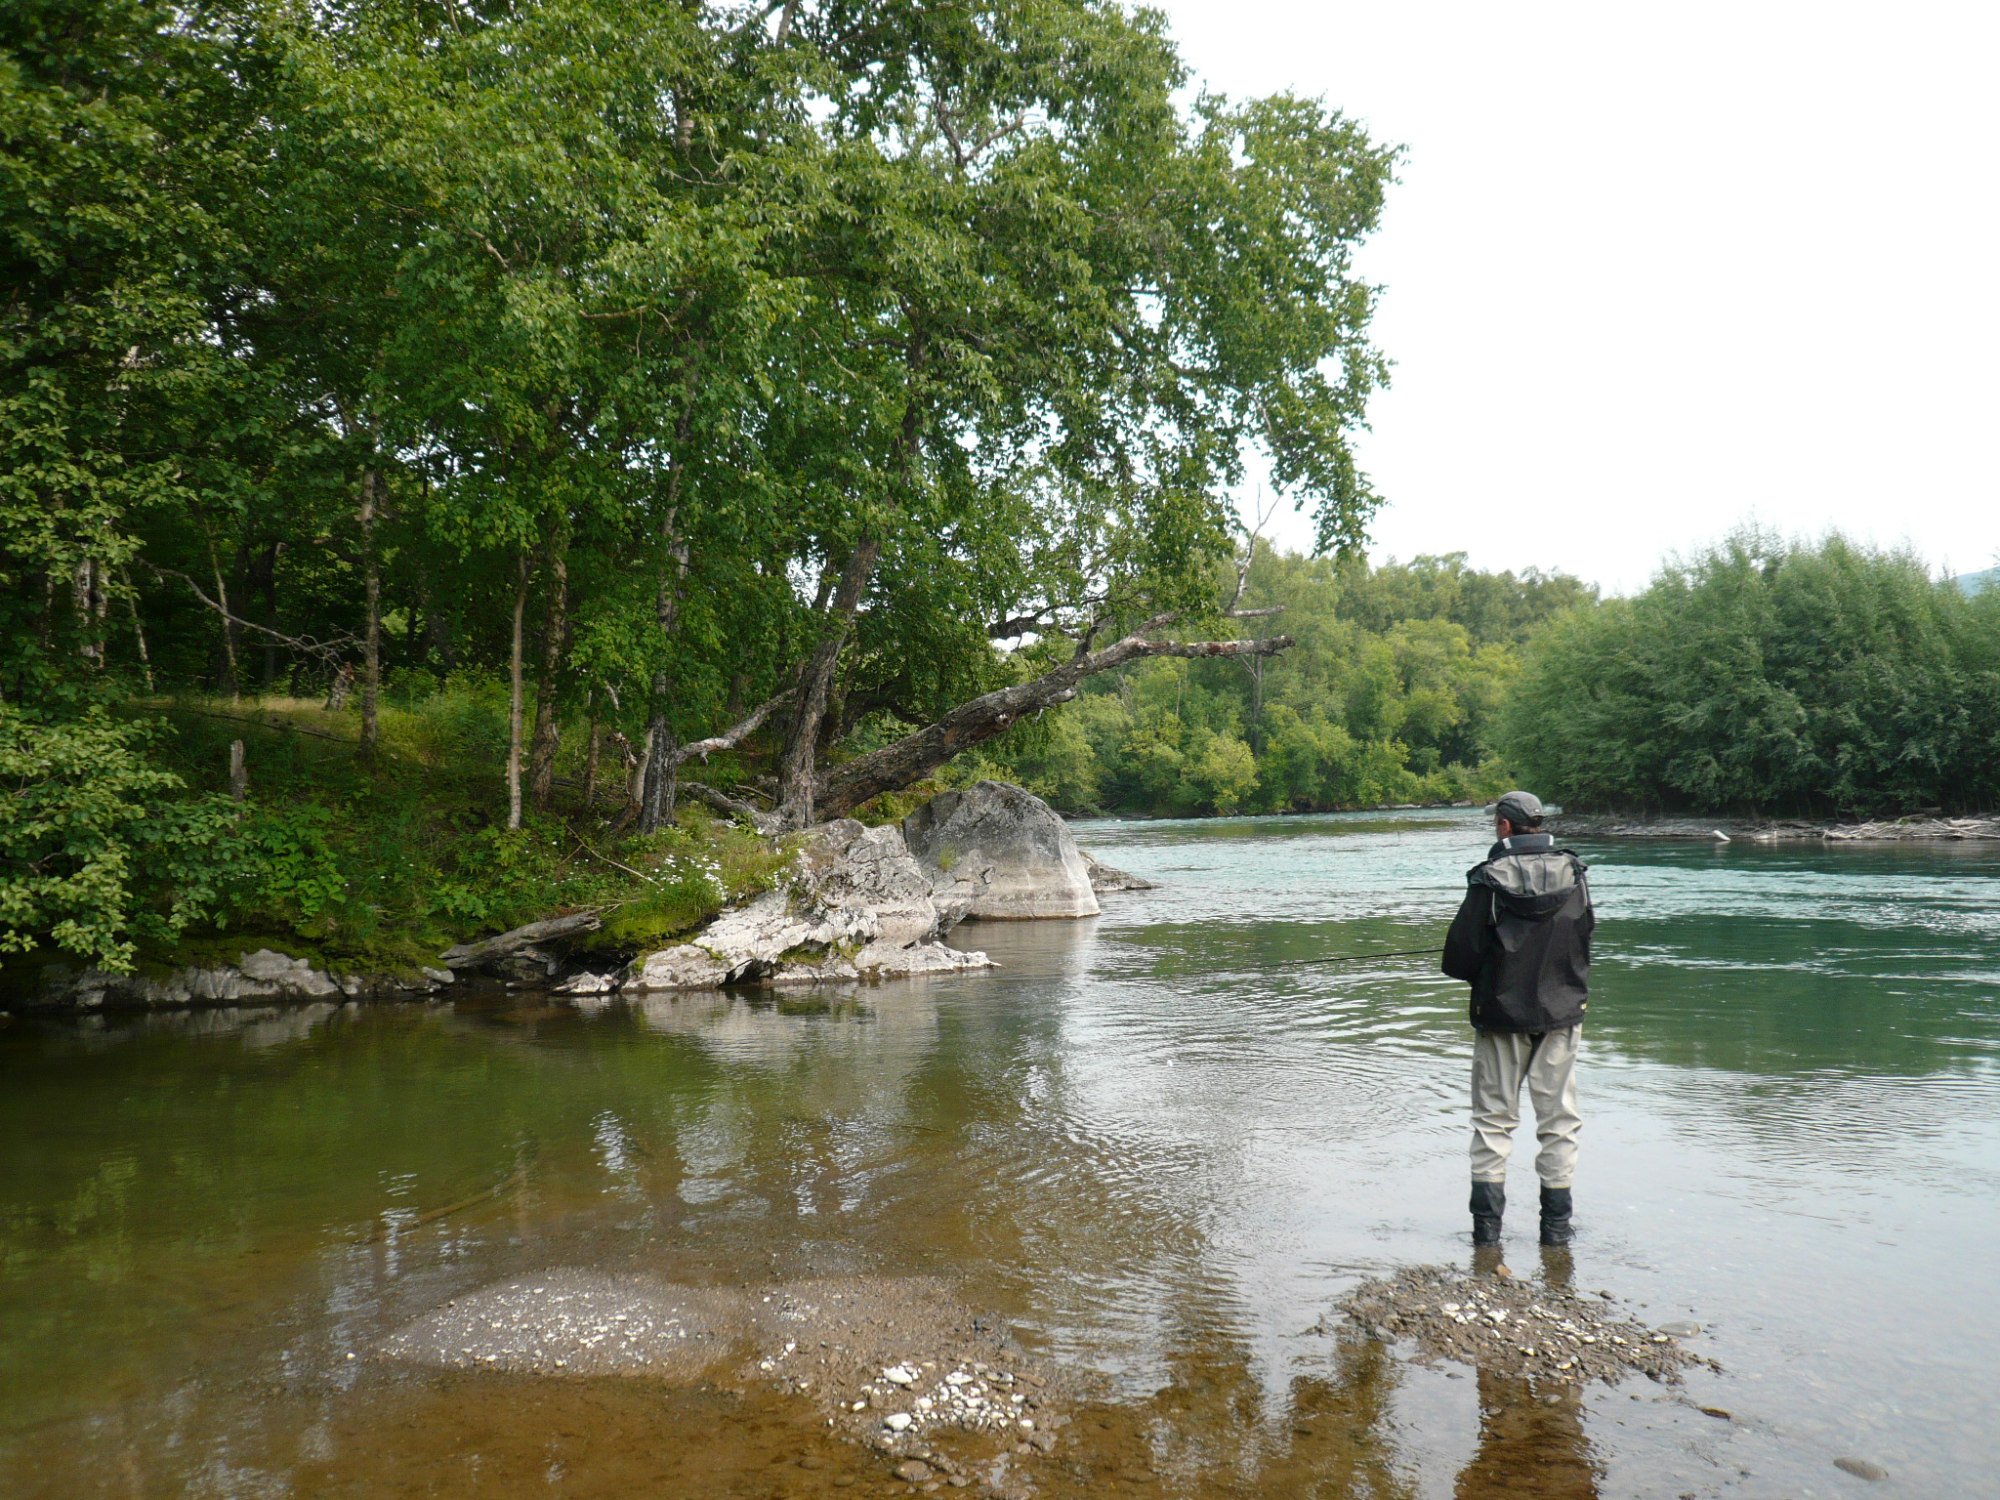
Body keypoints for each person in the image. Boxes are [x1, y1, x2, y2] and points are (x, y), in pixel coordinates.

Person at [1441, 789, 1594, 1246]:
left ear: (1504, 827)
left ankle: (1487, 1238)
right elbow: (1584, 939)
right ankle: (1556, 1233)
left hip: (1502, 1018)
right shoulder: (1575, 873)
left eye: (1495, 823)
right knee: (1560, 1122)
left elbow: (1459, 959)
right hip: (1562, 1016)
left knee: (1492, 1122)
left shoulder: (1487, 880)